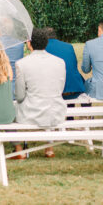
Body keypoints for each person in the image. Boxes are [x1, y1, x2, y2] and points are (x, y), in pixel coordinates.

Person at [15, 29, 66, 158]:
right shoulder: (60, 62)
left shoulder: (22, 64)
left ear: (29, 43)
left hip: (33, 113)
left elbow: (20, 96)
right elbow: (59, 89)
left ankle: (19, 148)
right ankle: (49, 147)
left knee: (13, 108)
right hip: (56, 112)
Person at [42, 27, 86, 99]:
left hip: (53, 90)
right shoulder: (69, 46)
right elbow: (73, 65)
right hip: (74, 87)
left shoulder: (42, 48)